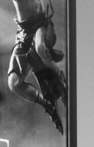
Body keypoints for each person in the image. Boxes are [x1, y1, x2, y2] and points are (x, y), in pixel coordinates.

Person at [7, 0, 68, 133]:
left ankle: (61, 81)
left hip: (41, 26)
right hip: (24, 33)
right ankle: (48, 105)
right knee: (14, 83)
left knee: (40, 48)